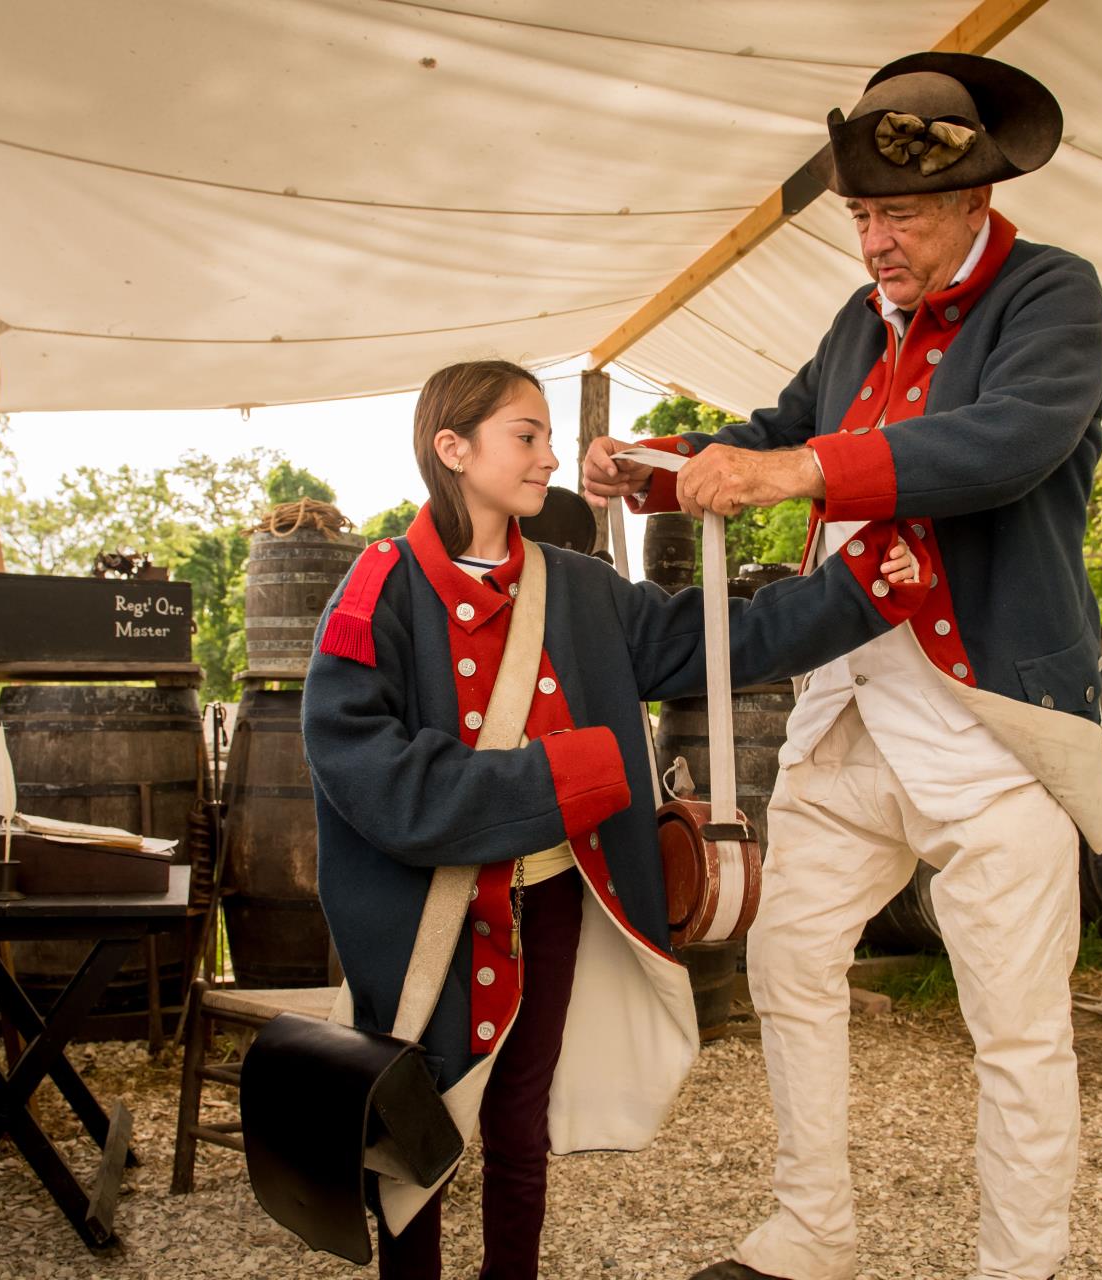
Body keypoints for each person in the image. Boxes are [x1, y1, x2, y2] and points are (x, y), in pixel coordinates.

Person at [582, 52, 1102, 1280]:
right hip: (851, 709)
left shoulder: (1052, 293)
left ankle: (1018, 1267)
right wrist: (654, 459)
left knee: (1019, 1031)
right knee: (786, 955)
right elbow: (773, 433)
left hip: (995, 721)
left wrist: (800, 473)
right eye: (864, 214)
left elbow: (1008, 443)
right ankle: (812, 1227)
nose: (877, 239)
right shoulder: (852, 323)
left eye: (904, 212)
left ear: (977, 199)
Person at [301, 359, 927, 1280]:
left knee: (521, 1122)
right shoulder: (378, 590)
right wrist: (578, 774)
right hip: (420, 918)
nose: (552, 456)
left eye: (548, 435)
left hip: (552, 896)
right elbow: (374, 776)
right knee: (411, 1132)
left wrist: (862, 588)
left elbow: (720, 633)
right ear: (454, 448)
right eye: (527, 435)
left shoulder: (579, 589)